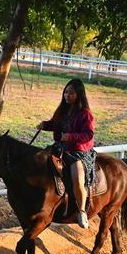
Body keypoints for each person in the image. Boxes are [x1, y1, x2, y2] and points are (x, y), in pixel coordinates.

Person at [37, 78, 96, 229]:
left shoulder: (86, 114)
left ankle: (82, 210)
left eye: (71, 93)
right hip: (60, 147)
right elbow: (54, 124)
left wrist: (69, 137)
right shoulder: (63, 110)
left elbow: (88, 135)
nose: (66, 95)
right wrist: (45, 125)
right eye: (65, 92)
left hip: (78, 151)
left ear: (79, 95)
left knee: (77, 175)